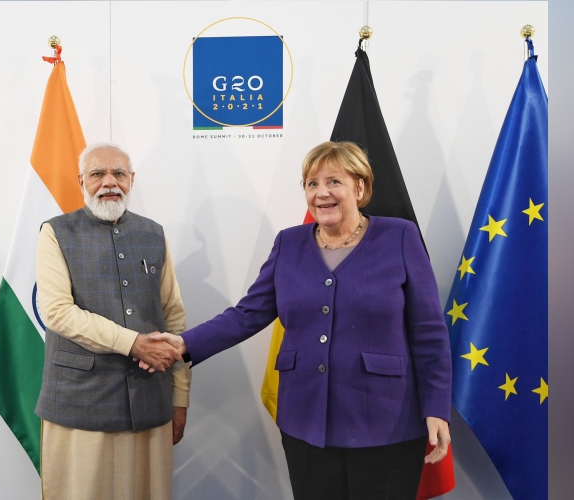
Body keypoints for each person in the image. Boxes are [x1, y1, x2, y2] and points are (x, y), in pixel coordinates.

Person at [156, 141, 452, 499]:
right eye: (312, 184)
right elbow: (248, 313)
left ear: (359, 187)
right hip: (307, 421)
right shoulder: (288, 243)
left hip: (386, 421)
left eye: (333, 182)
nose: (321, 193)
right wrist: (185, 343)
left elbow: (429, 333)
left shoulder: (400, 237)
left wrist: (437, 408)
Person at [34, 142, 190, 500]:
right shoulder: (56, 232)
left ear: (132, 179)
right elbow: (57, 311)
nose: (109, 182)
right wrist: (132, 343)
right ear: (81, 181)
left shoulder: (154, 234)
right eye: (97, 174)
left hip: (150, 401)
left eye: (119, 173)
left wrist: (180, 397)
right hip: (78, 403)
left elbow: (174, 316)